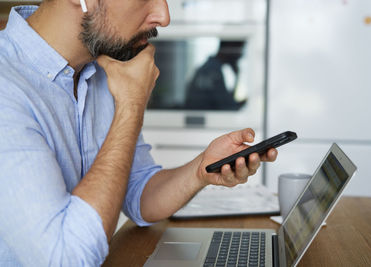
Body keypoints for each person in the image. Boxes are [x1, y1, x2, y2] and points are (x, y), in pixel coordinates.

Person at [0, 0, 277, 266]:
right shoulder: (7, 88)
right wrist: (131, 105)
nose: (164, 16)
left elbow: (139, 191)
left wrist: (199, 170)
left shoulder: (100, 70)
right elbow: (68, 258)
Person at [185, 40, 247, 110]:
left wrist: (236, 77)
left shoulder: (209, 68)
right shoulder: (212, 72)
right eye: (239, 50)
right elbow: (227, 107)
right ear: (229, 48)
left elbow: (227, 102)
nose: (240, 55)